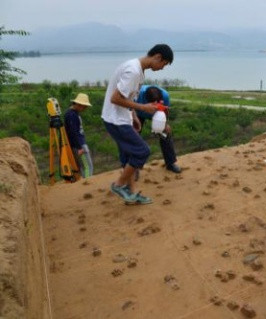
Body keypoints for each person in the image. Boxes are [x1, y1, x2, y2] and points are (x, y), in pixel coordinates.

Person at [101, 44, 174, 204]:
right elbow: (116, 98)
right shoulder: (133, 71)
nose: (162, 68)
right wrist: (143, 108)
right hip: (115, 120)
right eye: (164, 64)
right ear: (158, 57)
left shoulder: (138, 70)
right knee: (142, 151)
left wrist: (132, 115)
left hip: (122, 118)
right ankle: (119, 185)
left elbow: (128, 97)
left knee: (128, 156)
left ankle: (132, 193)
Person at [135, 84, 181, 174]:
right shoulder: (138, 94)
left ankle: (170, 163)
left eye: (158, 102)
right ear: (146, 99)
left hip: (158, 115)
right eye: (153, 103)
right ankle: (133, 168)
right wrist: (134, 119)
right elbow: (130, 107)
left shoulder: (165, 95)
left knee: (165, 134)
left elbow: (166, 110)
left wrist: (165, 124)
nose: (156, 105)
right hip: (139, 113)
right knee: (134, 137)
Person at [64, 93, 94, 178]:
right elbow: (73, 132)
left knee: (83, 166)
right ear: (78, 104)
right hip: (79, 145)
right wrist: (79, 147)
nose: (85, 108)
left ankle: (85, 183)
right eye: (84, 106)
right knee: (87, 166)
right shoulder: (71, 115)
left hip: (78, 144)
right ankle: (87, 183)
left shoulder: (72, 113)